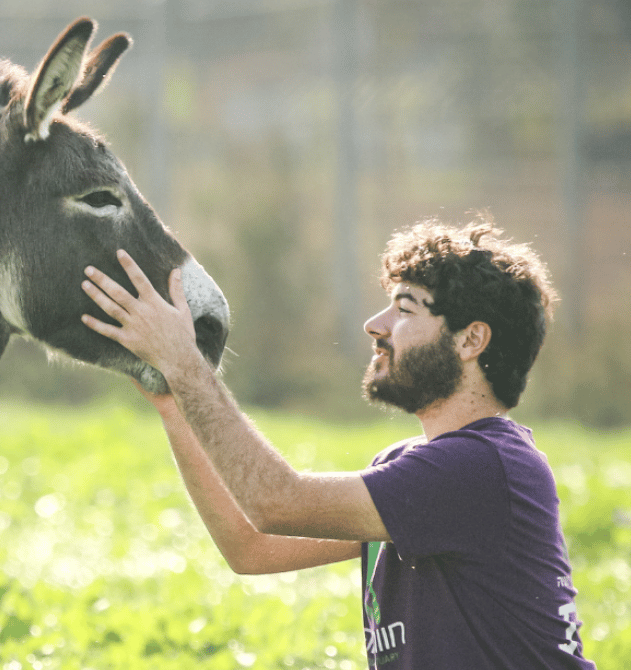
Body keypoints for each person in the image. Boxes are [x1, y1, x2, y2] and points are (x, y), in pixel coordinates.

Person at [79, 216, 596, 669]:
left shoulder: (483, 468)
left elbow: (277, 503)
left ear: (469, 340)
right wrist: (175, 407)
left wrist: (185, 363)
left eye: (406, 309)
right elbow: (252, 547)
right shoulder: (414, 467)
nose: (376, 325)